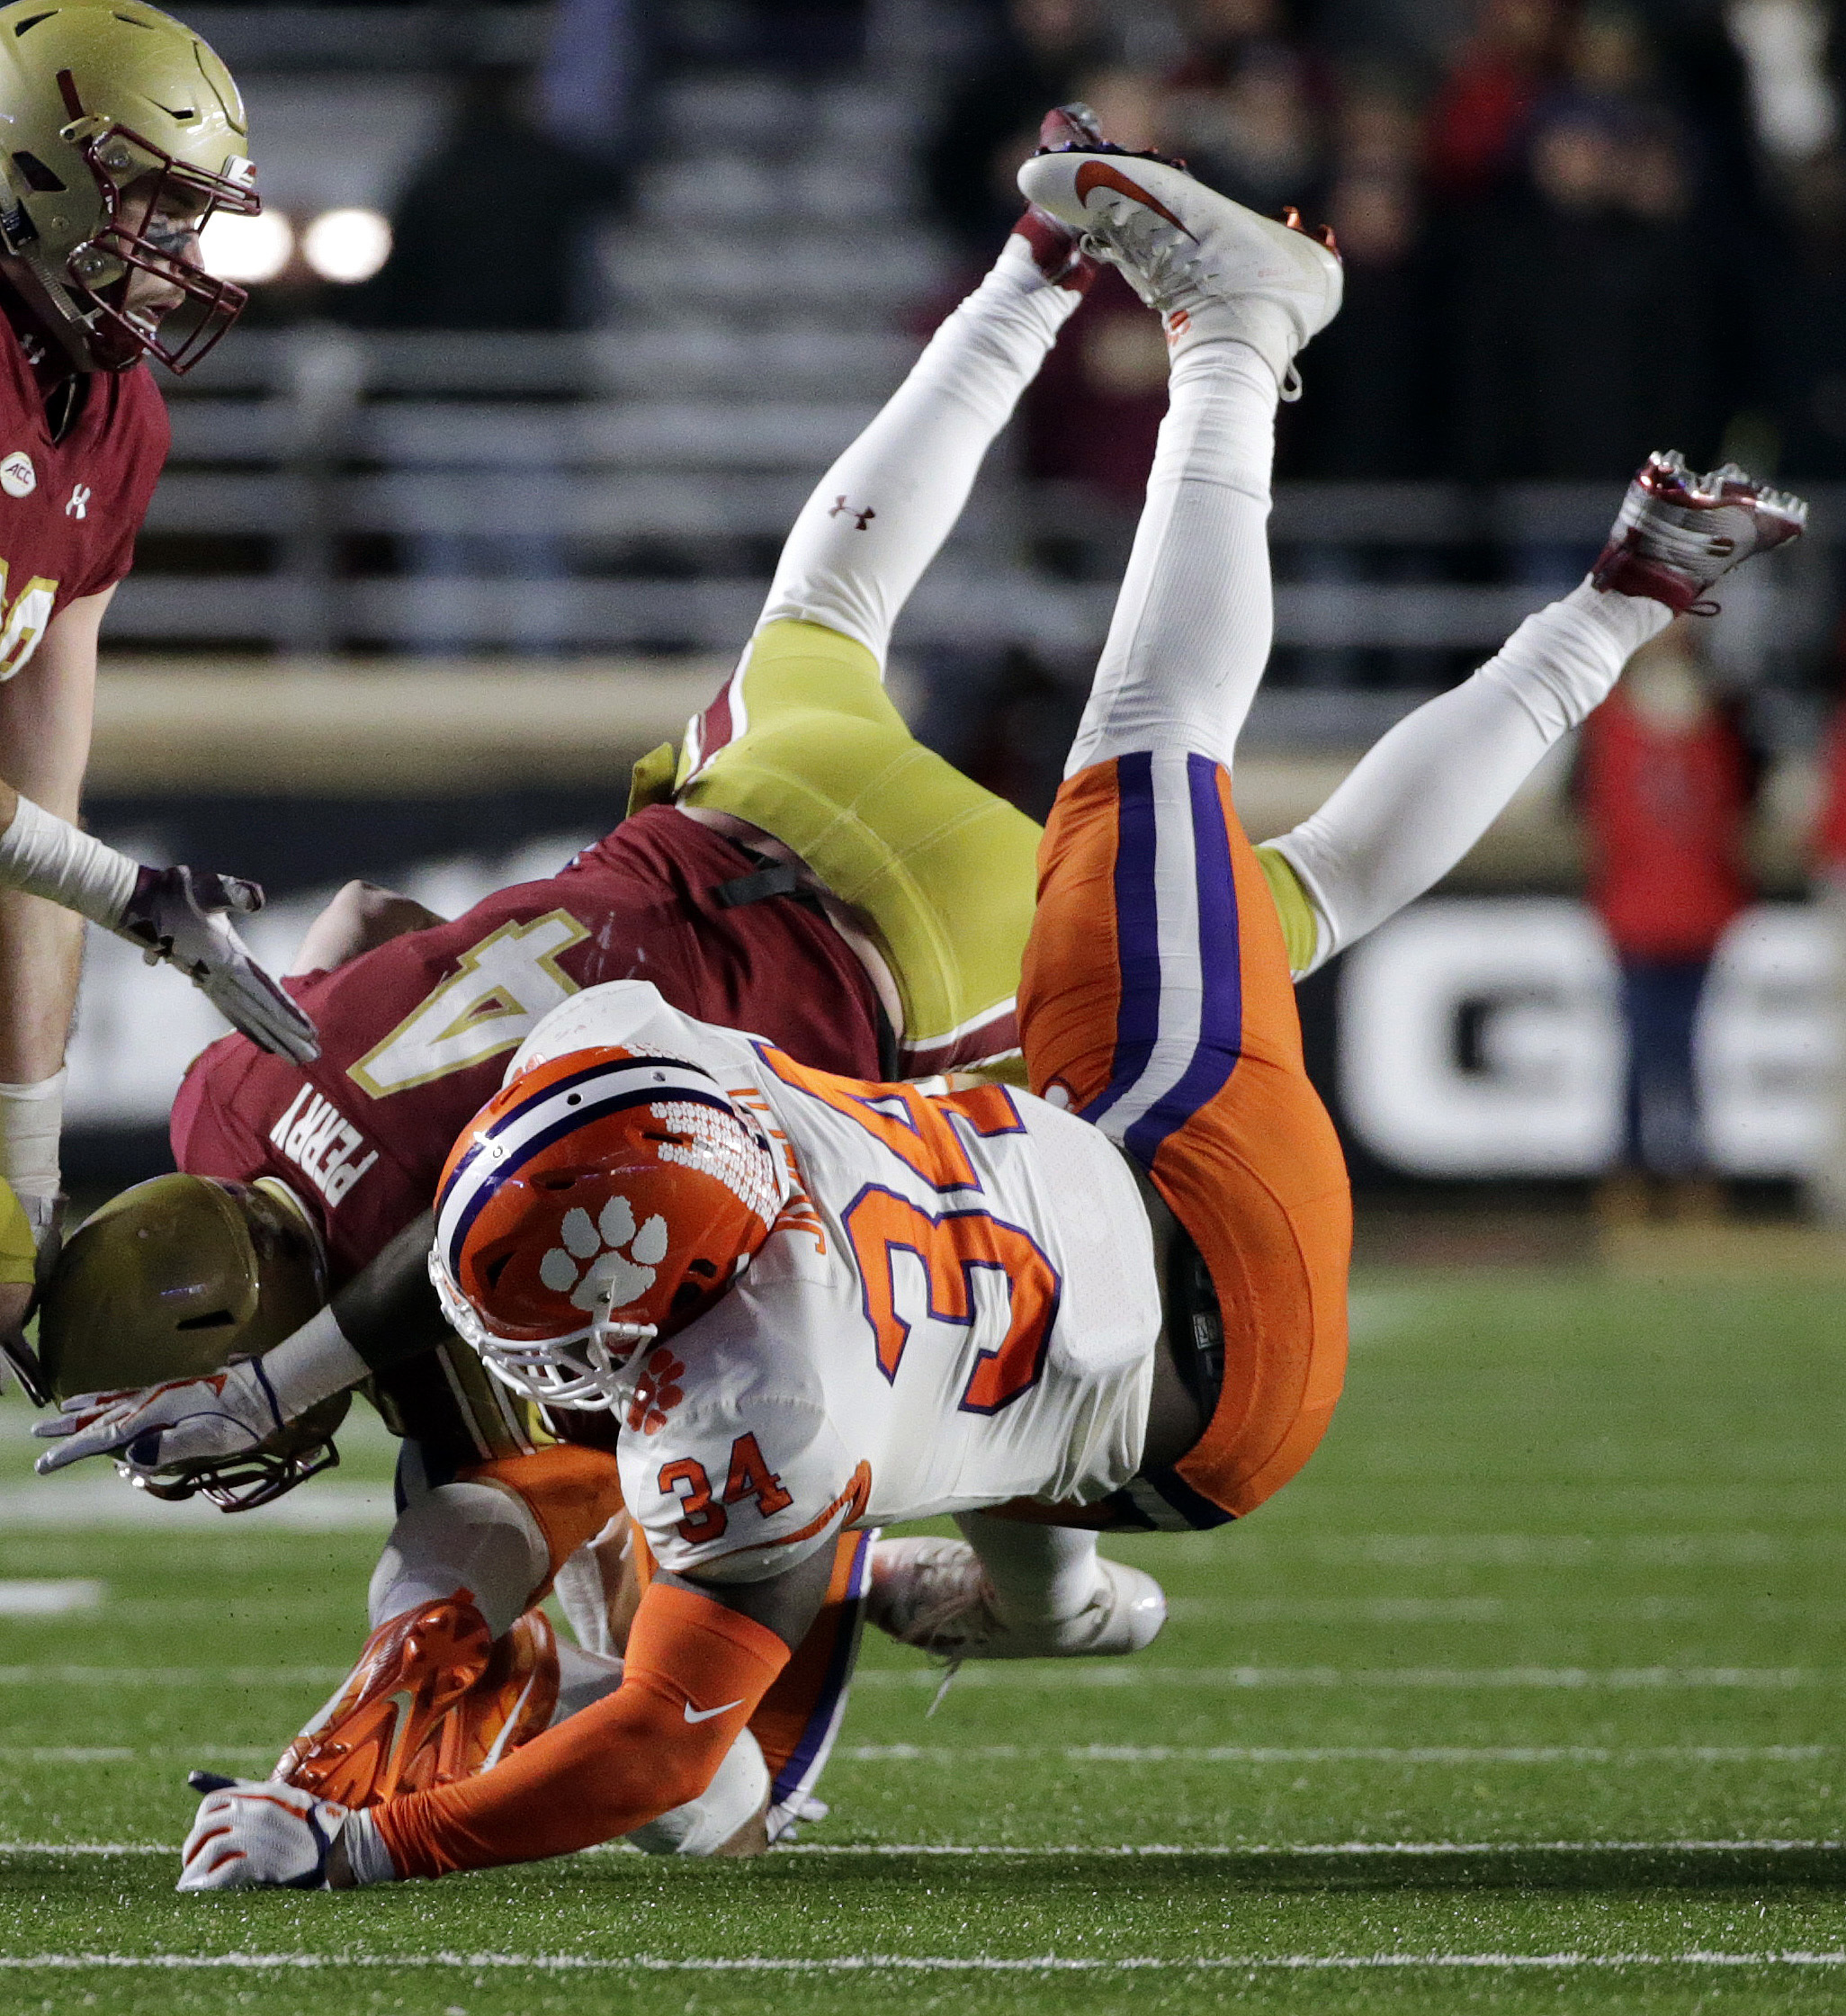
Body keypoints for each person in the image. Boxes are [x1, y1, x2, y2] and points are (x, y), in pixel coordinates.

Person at [73, 128, 1796, 1889]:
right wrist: (303, 1349)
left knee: (1244, 851)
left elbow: (651, 1719)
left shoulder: (752, 1398)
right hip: (739, 847)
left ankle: (1270, 357)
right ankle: (1038, 280)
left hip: (1143, 1324)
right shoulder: (574, 1074)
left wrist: (374, 1784)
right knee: (849, 611)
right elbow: (392, 982)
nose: (564, 1365)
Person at [0, 0, 318, 1268]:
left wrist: (26, 1173)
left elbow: (40, 806)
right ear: (43, 178)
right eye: (158, 207)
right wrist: (129, 895)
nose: (183, 250)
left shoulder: (118, 415)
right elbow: (73, 864)